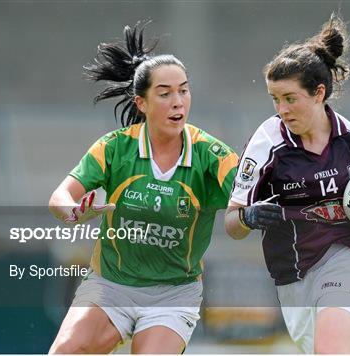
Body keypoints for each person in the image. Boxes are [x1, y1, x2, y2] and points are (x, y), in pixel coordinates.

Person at [225, 14, 350, 354]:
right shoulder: (266, 144)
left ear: (319, 93)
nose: (281, 109)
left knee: (331, 349)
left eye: (290, 98)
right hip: (294, 276)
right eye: (275, 98)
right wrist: (248, 218)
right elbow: (232, 223)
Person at [48, 23, 238, 354]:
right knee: (64, 350)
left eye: (184, 90)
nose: (178, 102)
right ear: (141, 103)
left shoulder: (212, 154)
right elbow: (60, 197)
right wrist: (74, 213)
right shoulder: (114, 148)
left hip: (174, 293)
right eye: (165, 94)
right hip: (110, 285)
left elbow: (246, 193)